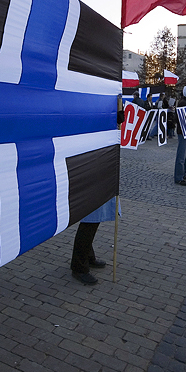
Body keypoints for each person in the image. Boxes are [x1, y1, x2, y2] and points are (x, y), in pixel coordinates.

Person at [70, 102, 125, 285]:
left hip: (102, 162)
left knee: (95, 216)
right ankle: (78, 265)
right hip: (91, 162)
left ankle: (87, 255)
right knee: (90, 218)